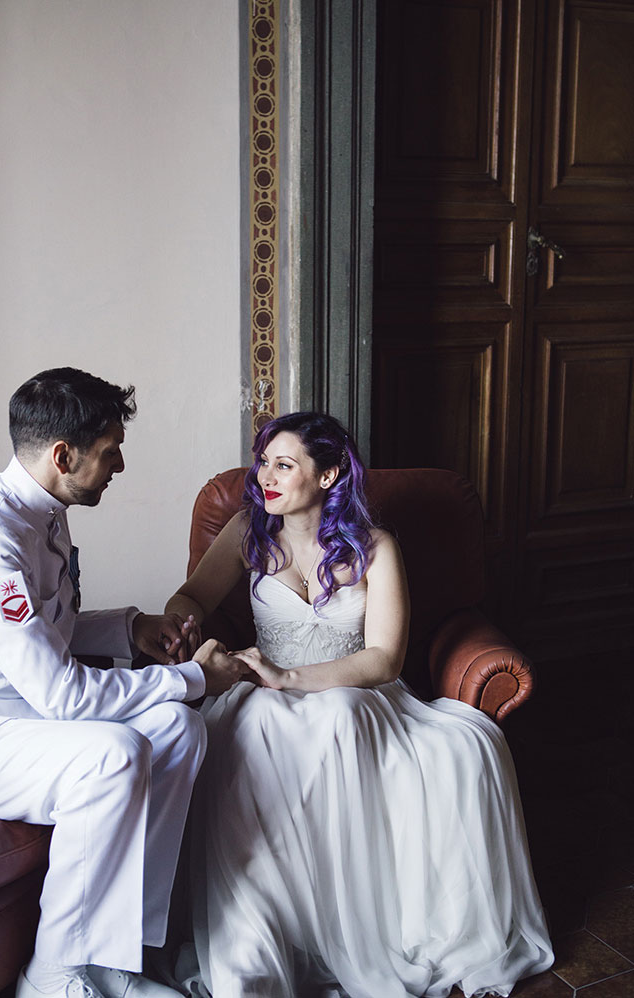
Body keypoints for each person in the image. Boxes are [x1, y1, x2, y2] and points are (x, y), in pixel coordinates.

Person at [162, 411, 554, 998]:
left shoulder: (375, 546)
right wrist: (181, 630)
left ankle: (369, 930)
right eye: (263, 461)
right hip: (263, 695)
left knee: (412, 733)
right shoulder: (247, 529)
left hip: (358, 691)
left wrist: (290, 675)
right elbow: (192, 594)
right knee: (261, 725)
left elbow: (384, 660)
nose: (264, 476)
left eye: (284, 465)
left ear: (327, 475)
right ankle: (263, 941)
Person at [0, 368, 245, 998]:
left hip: (23, 720)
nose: (120, 464)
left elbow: (49, 631)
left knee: (178, 731)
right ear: (62, 455)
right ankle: (54, 976)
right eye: (110, 451)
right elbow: (64, 696)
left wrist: (132, 631)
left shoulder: (45, 513)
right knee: (112, 756)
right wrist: (189, 676)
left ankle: (120, 957)